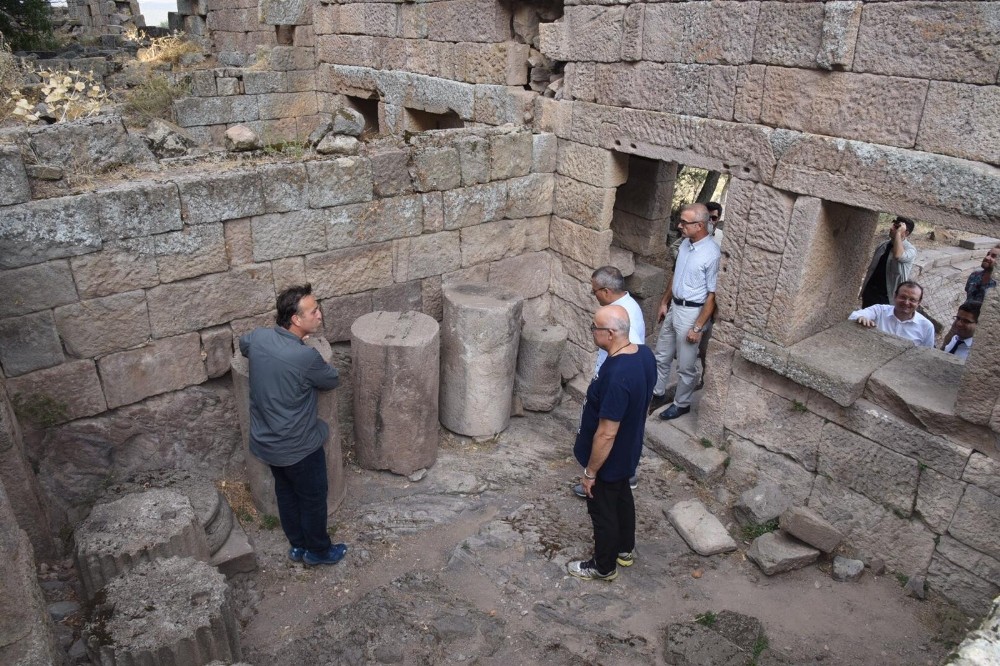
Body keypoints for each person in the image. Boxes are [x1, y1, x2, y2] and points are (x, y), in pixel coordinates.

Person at [239, 284, 348, 566]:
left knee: (286, 492)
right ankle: (319, 551)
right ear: (297, 320)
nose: (320, 314)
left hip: (267, 443)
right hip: (299, 447)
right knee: (312, 497)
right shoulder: (304, 357)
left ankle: (297, 545)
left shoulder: (260, 338)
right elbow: (331, 379)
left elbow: (244, 344)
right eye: (314, 311)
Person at [567, 305, 656, 581]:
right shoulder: (644, 355)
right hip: (628, 449)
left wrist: (590, 473)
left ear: (609, 333)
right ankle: (624, 550)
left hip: (609, 457)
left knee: (602, 508)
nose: (592, 331)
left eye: (594, 328)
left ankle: (603, 566)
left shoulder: (617, 375)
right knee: (621, 496)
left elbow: (606, 433)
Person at [573, 267, 645, 498]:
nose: (594, 295)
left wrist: (590, 472)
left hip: (613, 385)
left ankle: (598, 482)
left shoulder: (623, 320)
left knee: (607, 432)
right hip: (610, 380)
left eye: (594, 292)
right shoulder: (624, 309)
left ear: (605, 290)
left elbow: (607, 433)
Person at [652, 203, 721, 421]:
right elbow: (676, 275)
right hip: (675, 308)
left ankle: (681, 403)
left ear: (700, 225)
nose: (680, 225)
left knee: (685, 364)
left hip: (692, 313)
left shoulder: (712, 254)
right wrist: (664, 302)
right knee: (662, 354)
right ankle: (658, 393)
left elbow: (712, 295)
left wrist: (698, 326)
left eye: (684, 222)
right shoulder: (685, 244)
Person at [848, 280, 935, 348]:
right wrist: (861, 317)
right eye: (903, 297)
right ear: (895, 296)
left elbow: (927, 353)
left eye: (912, 300)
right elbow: (853, 315)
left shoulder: (927, 326)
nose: (906, 302)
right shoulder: (879, 310)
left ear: (919, 302)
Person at [859, 217, 917, 308]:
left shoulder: (910, 250)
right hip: (870, 293)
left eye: (896, 227)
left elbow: (898, 255)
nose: (891, 228)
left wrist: (898, 233)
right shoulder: (883, 245)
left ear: (906, 233)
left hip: (888, 298)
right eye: (893, 225)